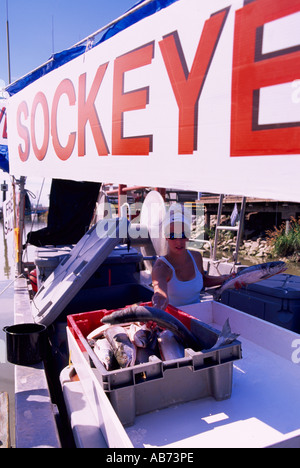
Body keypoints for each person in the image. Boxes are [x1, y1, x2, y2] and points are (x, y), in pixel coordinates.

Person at [151, 205, 236, 310]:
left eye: (183, 235)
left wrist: (227, 279)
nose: (179, 241)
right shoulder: (161, 268)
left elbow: (203, 280)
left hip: (197, 316)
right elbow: (160, 294)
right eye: (173, 236)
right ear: (166, 236)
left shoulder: (196, 257)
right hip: (174, 321)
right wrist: (157, 307)